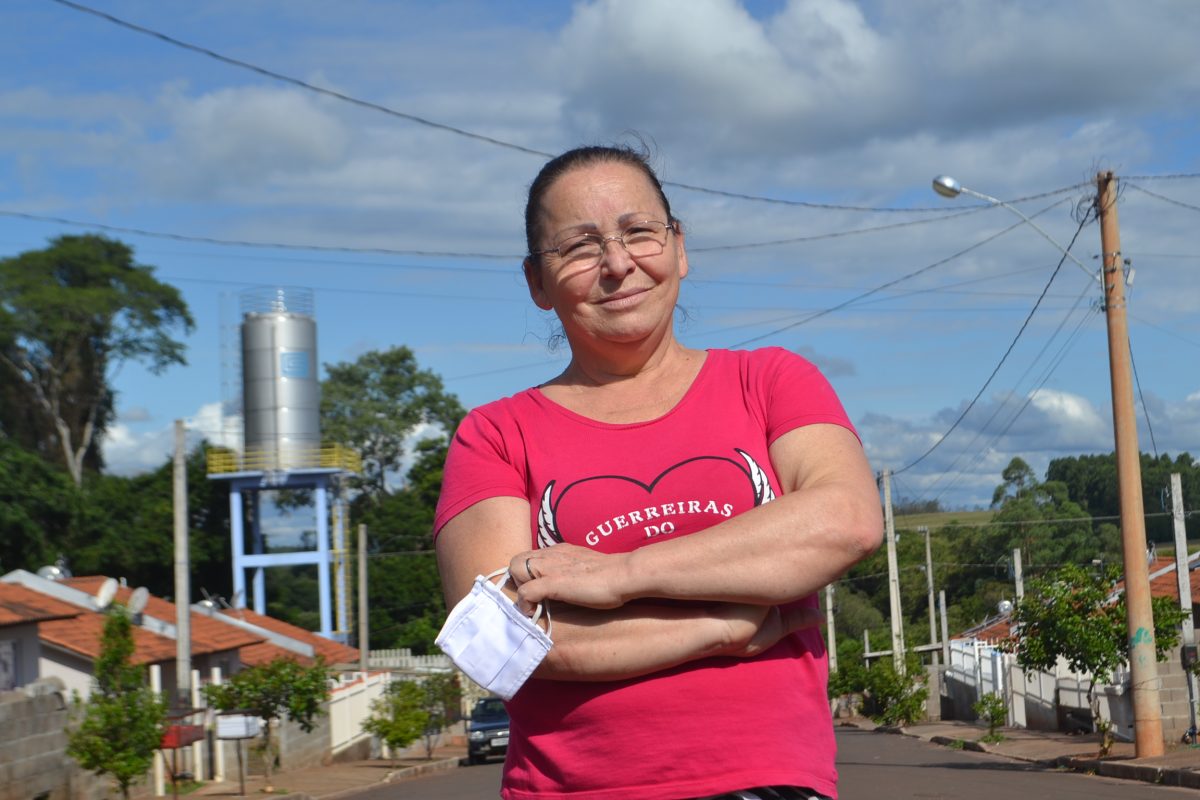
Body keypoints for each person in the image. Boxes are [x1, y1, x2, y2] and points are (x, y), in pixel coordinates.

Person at [434, 144, 882, 800]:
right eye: (580, 246)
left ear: (679, 248)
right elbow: (498, 640)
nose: (618, 264)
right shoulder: (496, 434)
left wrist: (620, 576)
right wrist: (728, 624)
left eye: (640, 232)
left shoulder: (771, 381)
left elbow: (843, 521)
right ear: (536, 283)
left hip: (770, 784)